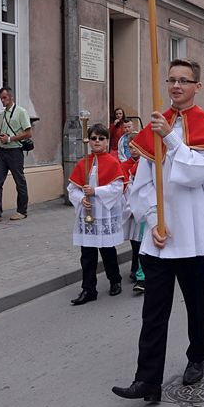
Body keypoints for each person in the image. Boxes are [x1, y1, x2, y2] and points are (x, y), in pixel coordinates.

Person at [112, 58, 204, 403]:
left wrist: (173, 140)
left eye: (184, 80)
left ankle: (197, 356)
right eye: (171, 80)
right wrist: (151, 219)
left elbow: (197, 175)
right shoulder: (154, 128)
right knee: (153, 312)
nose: (176, 86)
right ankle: (147, 380)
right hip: (160, 237)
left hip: (192, 235)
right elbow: (142, 183)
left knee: (196, 305)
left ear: (197, 86)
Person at [68, 123, 124, 306]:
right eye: (93, 138)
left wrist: (95, 191)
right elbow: (72, 189)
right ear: (89, 141)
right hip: (87, 214)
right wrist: (80, 199)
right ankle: (88, 288)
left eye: (101, 138)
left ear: (107, 141)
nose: (97, 141)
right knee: (87, 254)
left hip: (104, 212)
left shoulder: (112, 162)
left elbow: (116, 188)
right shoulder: (83, 162)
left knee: (108, 251)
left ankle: (115, 280)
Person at [0, 86, 32, 223]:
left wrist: (9, 139)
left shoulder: (21, 112)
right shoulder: (3, 114)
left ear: (11, 97)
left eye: (4, 98)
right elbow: (3, 134)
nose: (2, 101)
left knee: (19, 181)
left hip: (15, 151)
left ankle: (22, 211)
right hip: (2, 151)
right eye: (1, 98)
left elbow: (28, 133)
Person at [122, 133, 146, 294]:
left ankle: (141, 274)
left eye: (136, 147)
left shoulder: (146, 162)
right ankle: (136, 268)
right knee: (135, 240)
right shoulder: (125, 165)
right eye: (130, 148)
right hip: (130, 207)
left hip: (145, 208)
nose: (133, 151)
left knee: (142, 240)